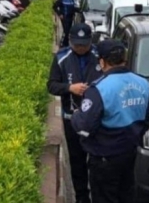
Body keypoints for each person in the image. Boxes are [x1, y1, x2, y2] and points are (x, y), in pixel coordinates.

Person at [71, 39, 149, 203]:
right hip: (129, 154)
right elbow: (147, 120)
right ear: (124, 59)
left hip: (104, 158)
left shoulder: (99, 89)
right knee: (126, 196)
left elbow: (85, 127)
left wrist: (76, 115)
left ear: (102, 62)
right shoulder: (143, 83)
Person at [47, 24, 102, 203]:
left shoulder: (100, 56)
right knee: (77, 162)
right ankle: (82, 197)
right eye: (77, 44)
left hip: (98, 120)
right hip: (72, 119)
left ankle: (98, 195)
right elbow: (52, 85)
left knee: (97, 161)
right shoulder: (61, 57)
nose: (81, 48)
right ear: (70, 41)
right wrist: (70, 88)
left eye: (84, 44)